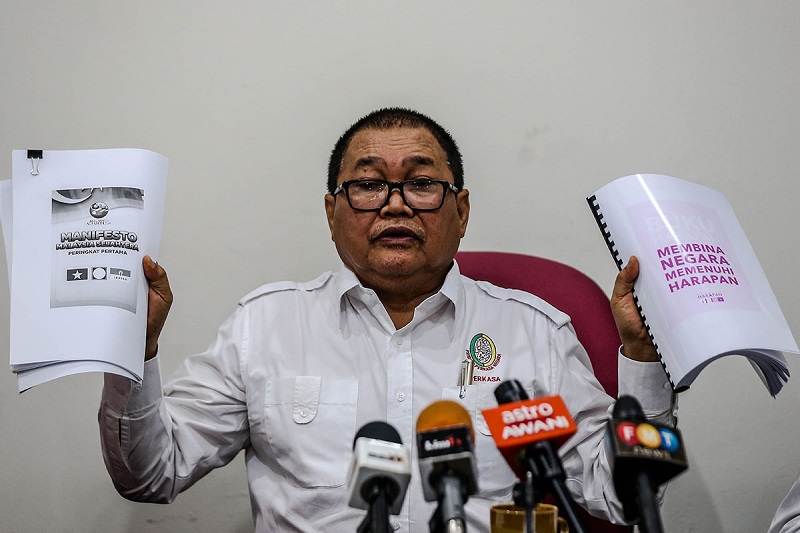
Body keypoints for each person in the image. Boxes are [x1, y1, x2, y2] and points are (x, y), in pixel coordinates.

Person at [99, 107, 675, 532]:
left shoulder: (534, 334)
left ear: (462, 210)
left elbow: (620, 497)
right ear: (332, 212)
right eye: (369, 184)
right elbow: (152, 474)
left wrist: (646, 361)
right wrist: (131, 348)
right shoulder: (266, 326)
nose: (395, 203)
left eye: (422, 183)